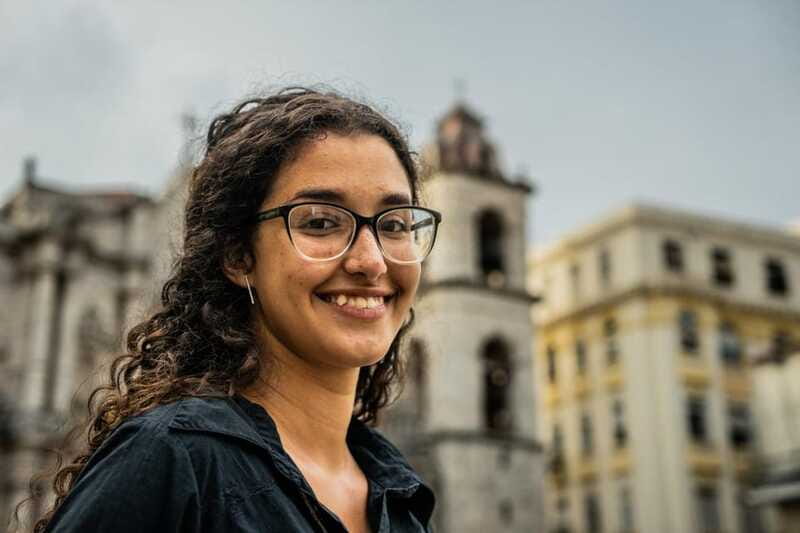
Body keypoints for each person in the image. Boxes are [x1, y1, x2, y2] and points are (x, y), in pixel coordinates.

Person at [27, 87, 441, 532]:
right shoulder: (172, 458)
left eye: (395, 224)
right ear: (239, 256)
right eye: (321, 222)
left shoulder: (401, 497)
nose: (372, 261)